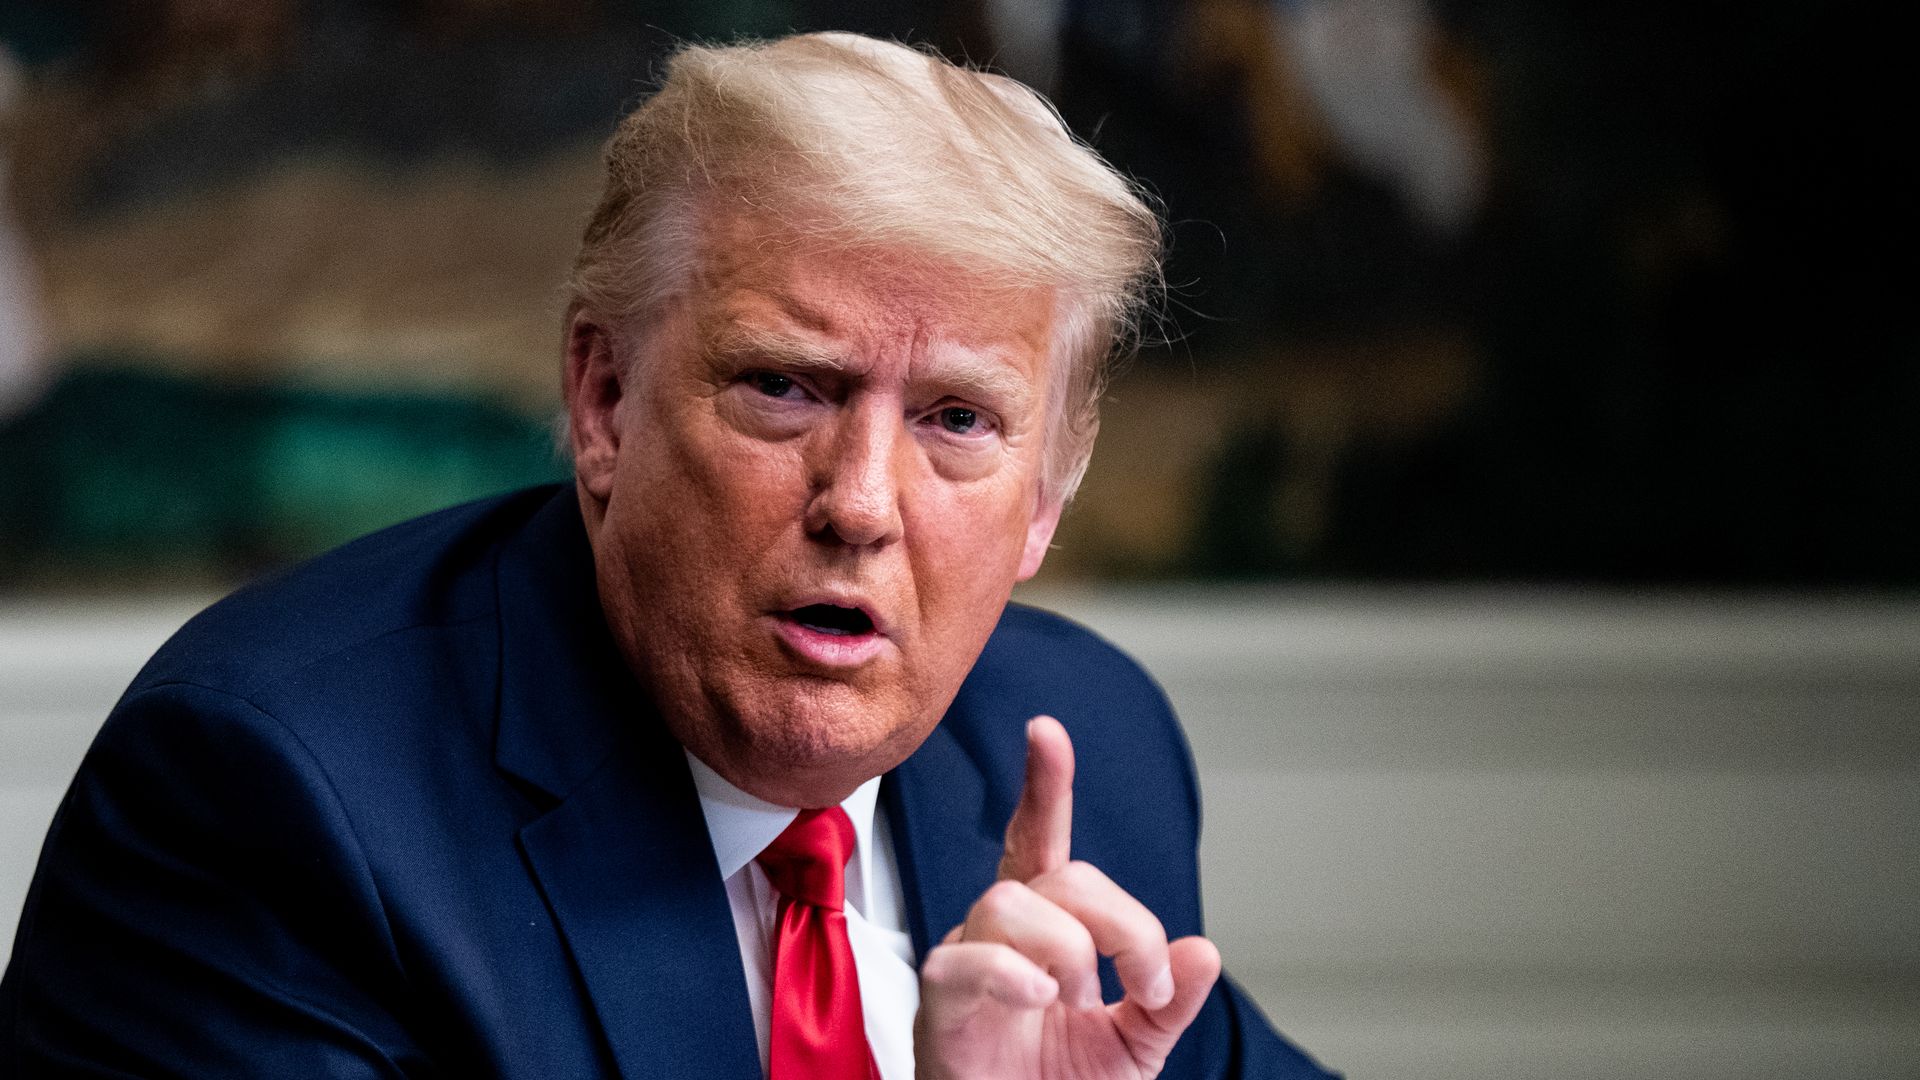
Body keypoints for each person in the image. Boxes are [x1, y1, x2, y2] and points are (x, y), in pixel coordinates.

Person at [0, 32, 1336, 1080]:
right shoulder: (274, 800)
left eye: (958, 420)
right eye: (784, 387)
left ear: (1048, 495)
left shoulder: (1089, 752)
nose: (861, 503)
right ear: (603, 399)